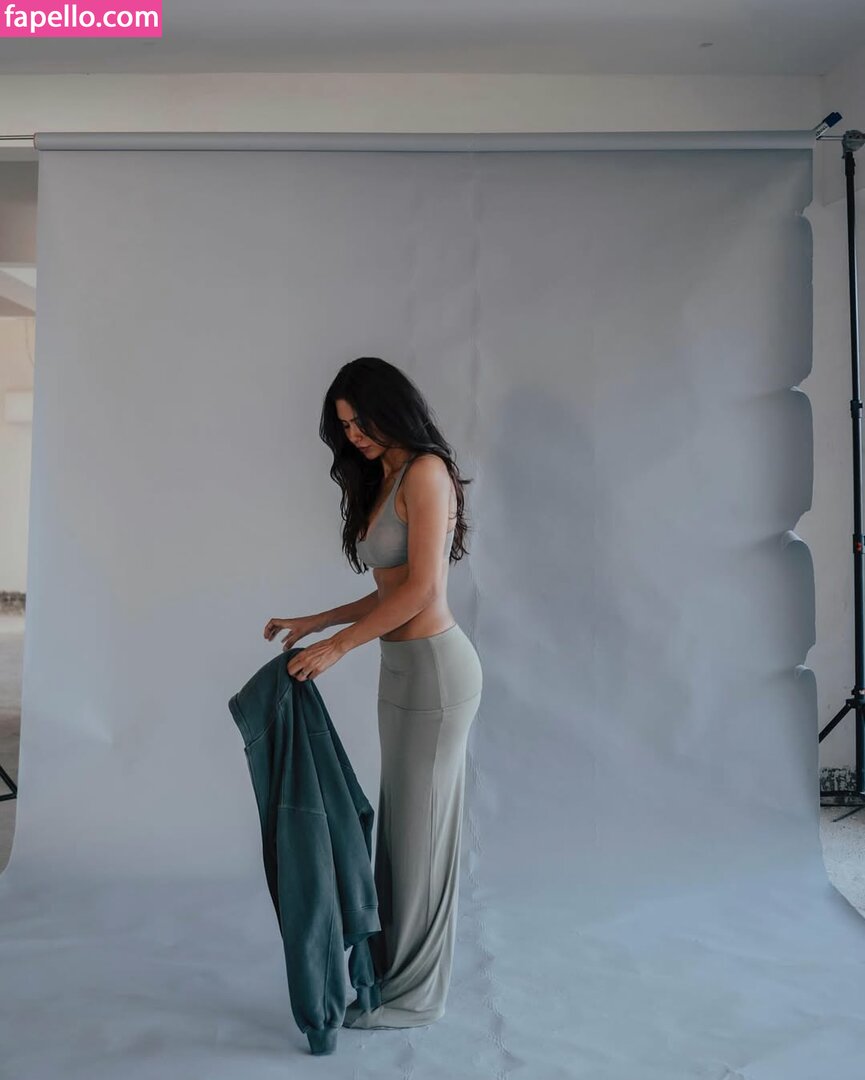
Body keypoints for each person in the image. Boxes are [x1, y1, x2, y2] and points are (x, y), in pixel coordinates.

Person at [263, 356, 483, 1028]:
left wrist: (339, 648)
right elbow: (388, 589)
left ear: (393, 408)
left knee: (422, 837)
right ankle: (392, 975)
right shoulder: (386, 474)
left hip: (437, 674)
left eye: (361, 420)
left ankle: (416, 998)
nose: (353, 434)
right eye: (344, 425)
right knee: (402, 833)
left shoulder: (426, 472)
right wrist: (319, 621)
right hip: (401, 670)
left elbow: (423, 590)